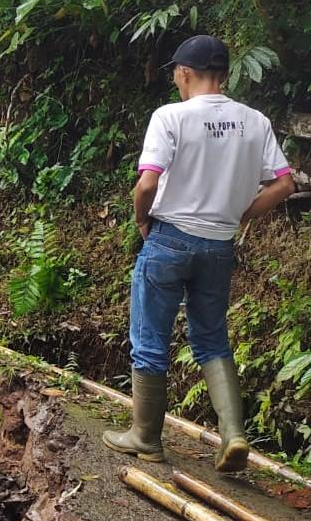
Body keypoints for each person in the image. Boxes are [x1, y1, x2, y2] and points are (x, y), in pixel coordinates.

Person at [104, 35, 296, 472]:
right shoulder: (255, 121)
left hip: (170, 238)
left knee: (150, 338)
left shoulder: (171, 117)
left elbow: (148, 182)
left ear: (185, 73)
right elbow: (285, 183)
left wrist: (141, 218)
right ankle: (233, 435)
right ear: (224, 76)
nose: (174, 78)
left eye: (175, 71)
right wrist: (240, 215)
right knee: (210, 339)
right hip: (219, 245)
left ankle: (146, 438)